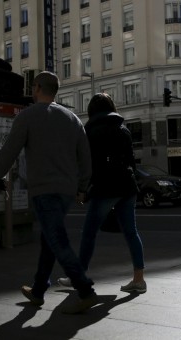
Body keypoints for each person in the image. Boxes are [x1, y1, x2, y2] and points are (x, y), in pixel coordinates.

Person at [0, 71, 98, 314]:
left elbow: (10, 149)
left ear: (37, 88)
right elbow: (85, 157)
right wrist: (82, 186)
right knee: (50, 238)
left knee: (57, 240)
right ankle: (38, 290)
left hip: (44, 189)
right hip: (67, 190)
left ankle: (85, 289)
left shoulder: (28, 116)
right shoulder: (72, 118)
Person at [57, 93, 146, 294]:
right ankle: (139, 279)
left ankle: (78, 277)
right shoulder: (123, 129)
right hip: (127, 186)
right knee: (131, 232)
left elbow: (89, 166)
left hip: (106, 188)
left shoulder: (90, 131)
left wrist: (82, 190)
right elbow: (132, 161)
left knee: (89, 233)